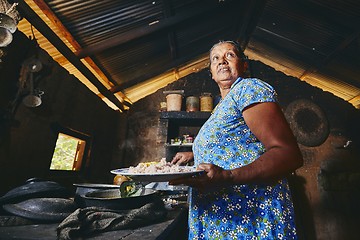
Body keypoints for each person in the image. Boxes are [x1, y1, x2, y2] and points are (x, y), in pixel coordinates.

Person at [169, 40, 303, 240]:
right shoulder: (223, 105)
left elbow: (288, 154)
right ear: (212, 72)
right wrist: (194, 154)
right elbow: (237, 144)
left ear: (244, 65)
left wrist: (227, 176)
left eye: (229, 55)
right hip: (223, 217)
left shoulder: (248, 88)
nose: (222, 61)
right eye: (216, 58)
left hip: (248, 216)